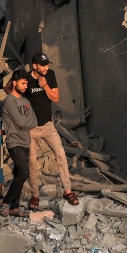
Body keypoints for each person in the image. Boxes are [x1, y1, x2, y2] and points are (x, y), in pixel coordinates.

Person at [26, 53, 80, 209]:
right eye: (43, 65)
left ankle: (68, 190)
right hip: (31, 128)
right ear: (35, 66)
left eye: (47, 64)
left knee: (61, 154)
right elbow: (11, 91)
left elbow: (55, 98)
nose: (46, 67)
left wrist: (45, 87)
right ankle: (35, 195)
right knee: (31, 161)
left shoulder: (50, 75)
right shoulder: (26, 78)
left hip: (48, 125)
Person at [0, 69, 38, 218]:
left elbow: (33, 121)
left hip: (25, 141)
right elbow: (22, 121)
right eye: (23, 83)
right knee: (24, 172)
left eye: (26, 83)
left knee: (18, 173)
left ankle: (14, 207)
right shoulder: (10, 101)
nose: (25, 86)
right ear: (14, 83)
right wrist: (22, 124)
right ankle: (6, 202)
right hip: (14, 141)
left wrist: (23, 124)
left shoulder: (26, 101)